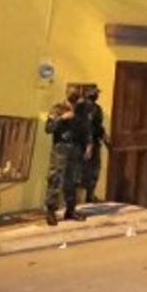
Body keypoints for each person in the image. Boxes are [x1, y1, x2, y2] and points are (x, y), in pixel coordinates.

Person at [45, 86, 94, 226]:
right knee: (55, 178)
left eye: (76, 92)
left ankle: (71, 210)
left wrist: (89, 145)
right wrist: (62, 118)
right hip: (61, 148)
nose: (74, 94)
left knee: (73, 180)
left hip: (76, 148)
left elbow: (87, 128)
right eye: (71, 91)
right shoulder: (58, 108)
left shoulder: (82, 110)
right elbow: (48, 128)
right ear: (66, 93)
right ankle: (50, 211)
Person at [78, 84, 107, 203]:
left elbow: (98, 126)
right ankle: (75, 199)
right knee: (79, 170)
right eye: (94, 93)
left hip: (94, 142)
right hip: (81, 143)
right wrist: (88, 144)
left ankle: (90, 195)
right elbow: (86, 126)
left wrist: (105, 137)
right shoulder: (81, 107)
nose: (96, 95)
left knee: (94, 169)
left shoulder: (97, 108)